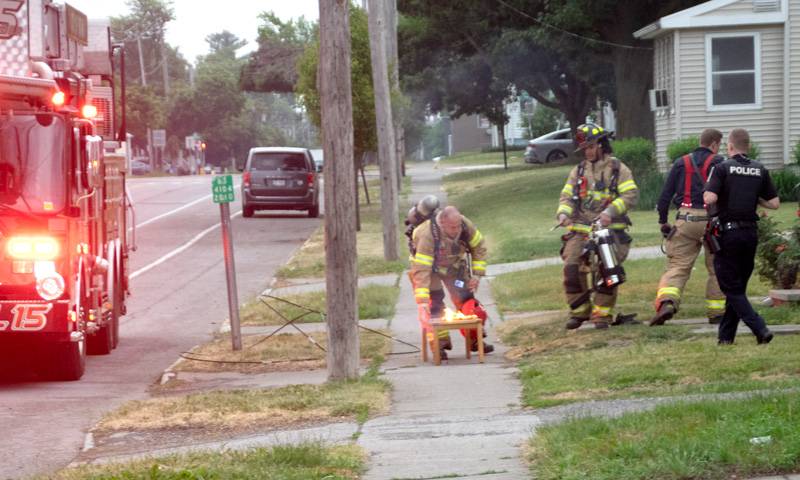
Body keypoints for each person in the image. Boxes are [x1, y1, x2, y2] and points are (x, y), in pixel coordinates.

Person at [556, 123, 639, 329]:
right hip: (581, 229)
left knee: (607, 270)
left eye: (591, 147)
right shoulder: (579, 170)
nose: (587, 152)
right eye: (584, 148)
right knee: (571, 267)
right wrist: (563, 213)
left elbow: (630, 195)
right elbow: (567, 196)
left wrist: (609, 213)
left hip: (611, 230)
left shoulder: (618, 169)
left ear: (602, 144)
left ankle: (602, 314)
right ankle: (579, 311)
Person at [703, 128, 778, 345]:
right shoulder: (760, 169)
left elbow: (709, 198)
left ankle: (759, 327)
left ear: (730, 146)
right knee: (737, 289)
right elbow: (774, 203)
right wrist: (754, 197)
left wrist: (709, 191)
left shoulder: (721, 168)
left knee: (730, 288)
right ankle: (725, 338)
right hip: (750, 234)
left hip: (728, 235)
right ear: (749, 146)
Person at [651, 129, 726, 326]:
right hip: (711, 221)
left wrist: (663, 221)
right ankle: (716, 312)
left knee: (678, 266)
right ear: (714, 144)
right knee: (716, 268)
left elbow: (665, 196)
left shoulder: (680, 162)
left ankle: (667, 302)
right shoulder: (719, 162)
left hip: (686, 219)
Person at [410, 205, 493, 359]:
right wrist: (422, 301)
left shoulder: (465, 225)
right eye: (452, 227)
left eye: (458, 226)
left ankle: (474, 339)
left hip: (454, 270)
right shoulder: (427, 234)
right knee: (434, 303)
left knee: (466, 298)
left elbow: (479, 247)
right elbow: (422, 268)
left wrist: (476, 276)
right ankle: (439, 344)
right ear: (441, 223)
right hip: (430, 271)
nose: (456, 230)